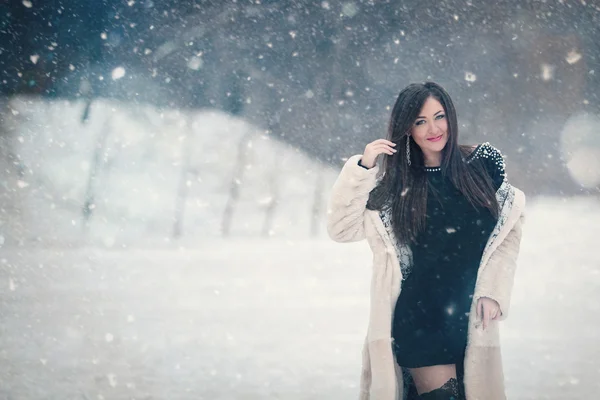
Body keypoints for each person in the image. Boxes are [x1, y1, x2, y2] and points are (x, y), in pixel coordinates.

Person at [326, 82, 526, 400]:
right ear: (407, 129)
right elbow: (341, 228)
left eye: (439, 116)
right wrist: (362, 168)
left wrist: (493, 291)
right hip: (420, 319)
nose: (433, 128)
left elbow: (508, 231)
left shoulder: (482, 166)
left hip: (469, 320)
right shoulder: (397, 185)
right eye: (420, 121)